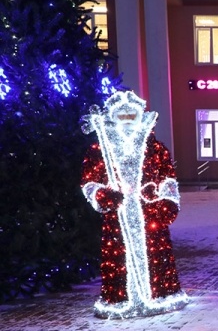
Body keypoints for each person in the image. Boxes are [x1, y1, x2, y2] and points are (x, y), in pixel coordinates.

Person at [80, 90, 189, 318]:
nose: (128, 121)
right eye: (122, 116)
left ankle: (160, 294)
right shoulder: (100, 149)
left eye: (132, 115)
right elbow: (89, 180)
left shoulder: (156, 149)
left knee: (155, 255)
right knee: (119, 255)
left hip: (150, 214)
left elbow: (167, 177)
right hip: (118, 216)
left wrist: (167, 201)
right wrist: (101, 194)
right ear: (114, 117)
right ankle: (122, 298)